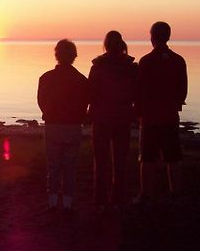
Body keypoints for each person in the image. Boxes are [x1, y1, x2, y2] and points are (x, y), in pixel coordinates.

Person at [135, 21, 188, 205]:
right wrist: (175, 104)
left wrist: (138, 112)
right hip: (170, 116)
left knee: (147, 157)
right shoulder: (178, 60)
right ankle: (175, 193)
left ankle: (145, 194)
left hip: (150, 118)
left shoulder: (146, 61)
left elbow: (139, 90)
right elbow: (183, 90)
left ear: (152, 37)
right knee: (173, 157)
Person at [88, 31, 138, 213]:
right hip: (122, 118)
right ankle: (118, 198)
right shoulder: (131, 67)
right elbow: (136, 93)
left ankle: (100, 199)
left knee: (101, 161)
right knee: (120, 161)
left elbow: (90, 92)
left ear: (106, 45)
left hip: (101, 118)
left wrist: (88, 113)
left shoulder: (98, 66)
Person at [37, 39, 89, 211]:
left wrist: (50, 113)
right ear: (74, 56)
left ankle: (52, 200)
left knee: (53, 166)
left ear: (56, 55)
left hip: (53, 126)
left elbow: (41, 101)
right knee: (69, 167)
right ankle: (67, 202)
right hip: (73, 127)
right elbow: (85, 104)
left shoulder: (46, 78)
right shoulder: (81, 79)